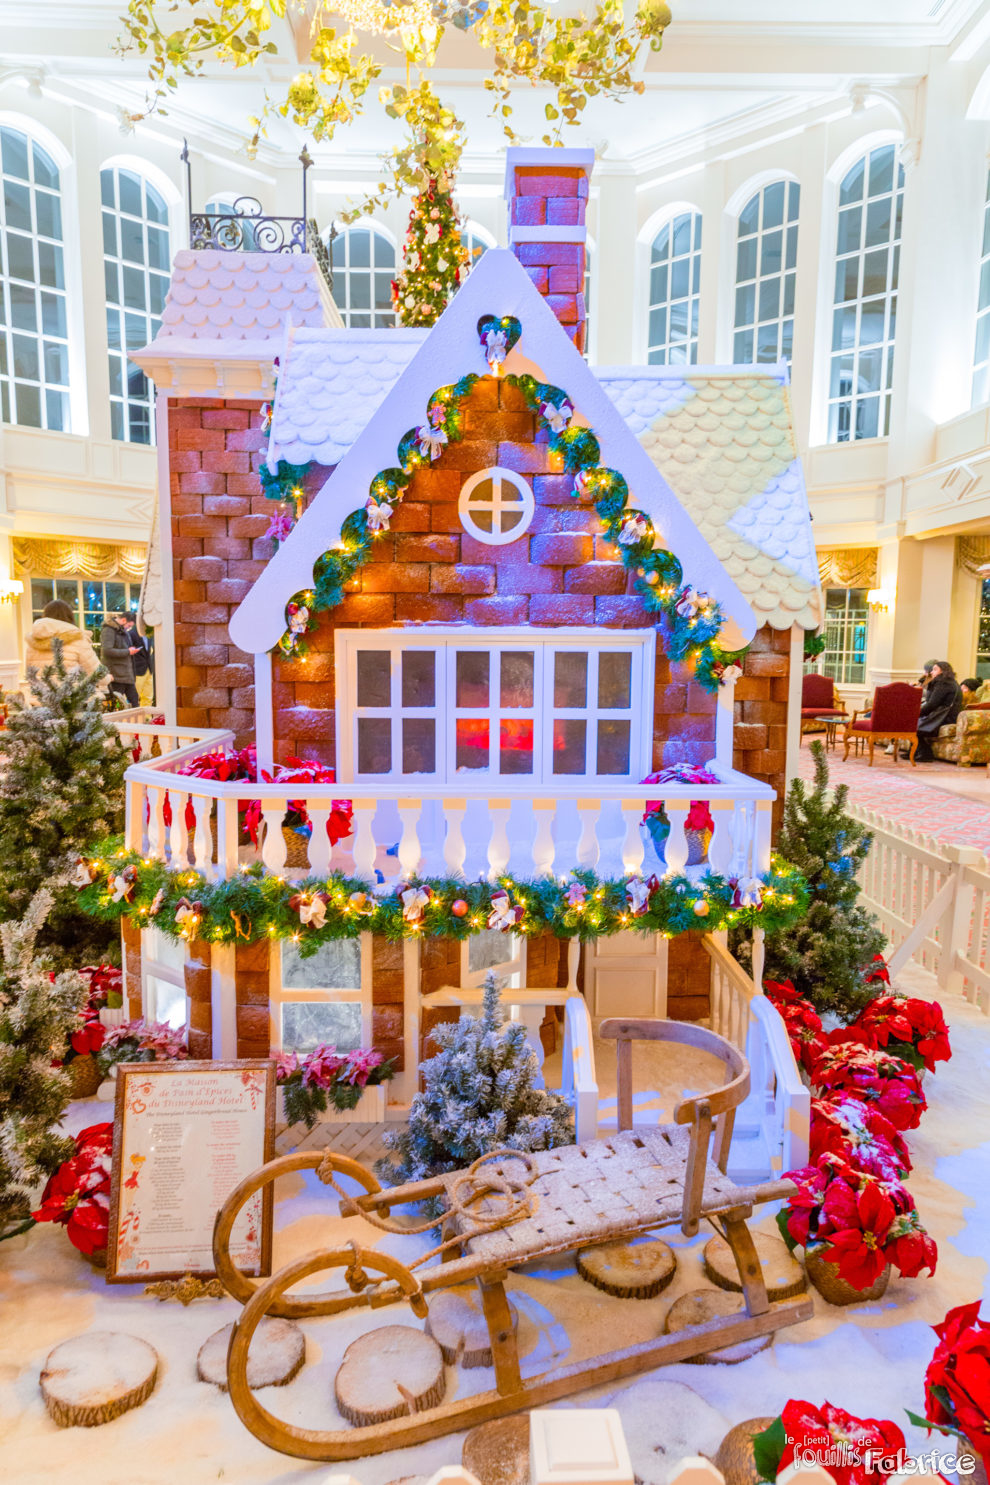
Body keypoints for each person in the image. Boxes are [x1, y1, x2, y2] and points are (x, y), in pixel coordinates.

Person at [24, 600, 108, 694]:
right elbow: (100, 676)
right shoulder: (78, 639)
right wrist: (109, 678)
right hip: (69, 702)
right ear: (69, 616)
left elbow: (29, 675)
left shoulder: (33, 642)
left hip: (39, 701)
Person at [914, 660, 963, 762]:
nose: (932, 672)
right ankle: (916, 752)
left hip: (944, 717)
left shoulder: (943, 683)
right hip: (948, 715)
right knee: (915, 724)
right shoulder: (950, 682)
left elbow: (932, 704)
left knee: (914, 726)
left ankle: (924, 754)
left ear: (943, 671)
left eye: (935, 669)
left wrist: (915, 714)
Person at [100, 608, 140, 708]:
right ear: (123, 620)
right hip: (116, 675)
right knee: (117, 705)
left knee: (135, 702)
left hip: (126, 675)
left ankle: (137, 723)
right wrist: (128, 651)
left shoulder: (123, 631)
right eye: (129, 625)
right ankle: (118, 723)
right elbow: (107, 651)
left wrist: (130, 651)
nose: (129, 628)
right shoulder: (108, 630)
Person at [125, 616, 154, 707]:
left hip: (149, 670)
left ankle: (147, 719)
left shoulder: (149, 634)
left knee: (148, 697)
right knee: (134, 699)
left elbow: (148, 651)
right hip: (137, 671)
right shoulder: (130, 633)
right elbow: (127, 652)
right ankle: (135, 720)